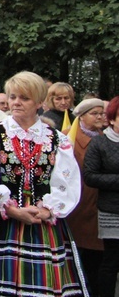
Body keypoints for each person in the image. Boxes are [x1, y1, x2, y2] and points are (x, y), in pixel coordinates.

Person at [0, 71, 87, 296]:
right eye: (12, 96)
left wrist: (48, 210)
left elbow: (67, 181)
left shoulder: (56, 139)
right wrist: (11, 208)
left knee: (43, 285)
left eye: (24, 98)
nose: (16, 102)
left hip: (43, 225)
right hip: (2, 224)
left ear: (39, 102)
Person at [65, 98, 106, 295]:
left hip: (99, 208)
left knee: (97, 263)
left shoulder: (107, 138)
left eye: (102, 113)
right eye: (94, 113)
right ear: (81, 116)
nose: (100, 117)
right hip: (77, 207)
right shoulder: (69, 138)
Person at [83, 96, 119, 297]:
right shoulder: (100, 143)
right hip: (112, 211)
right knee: (111, 262)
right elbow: (90, 176)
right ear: (112, 119)